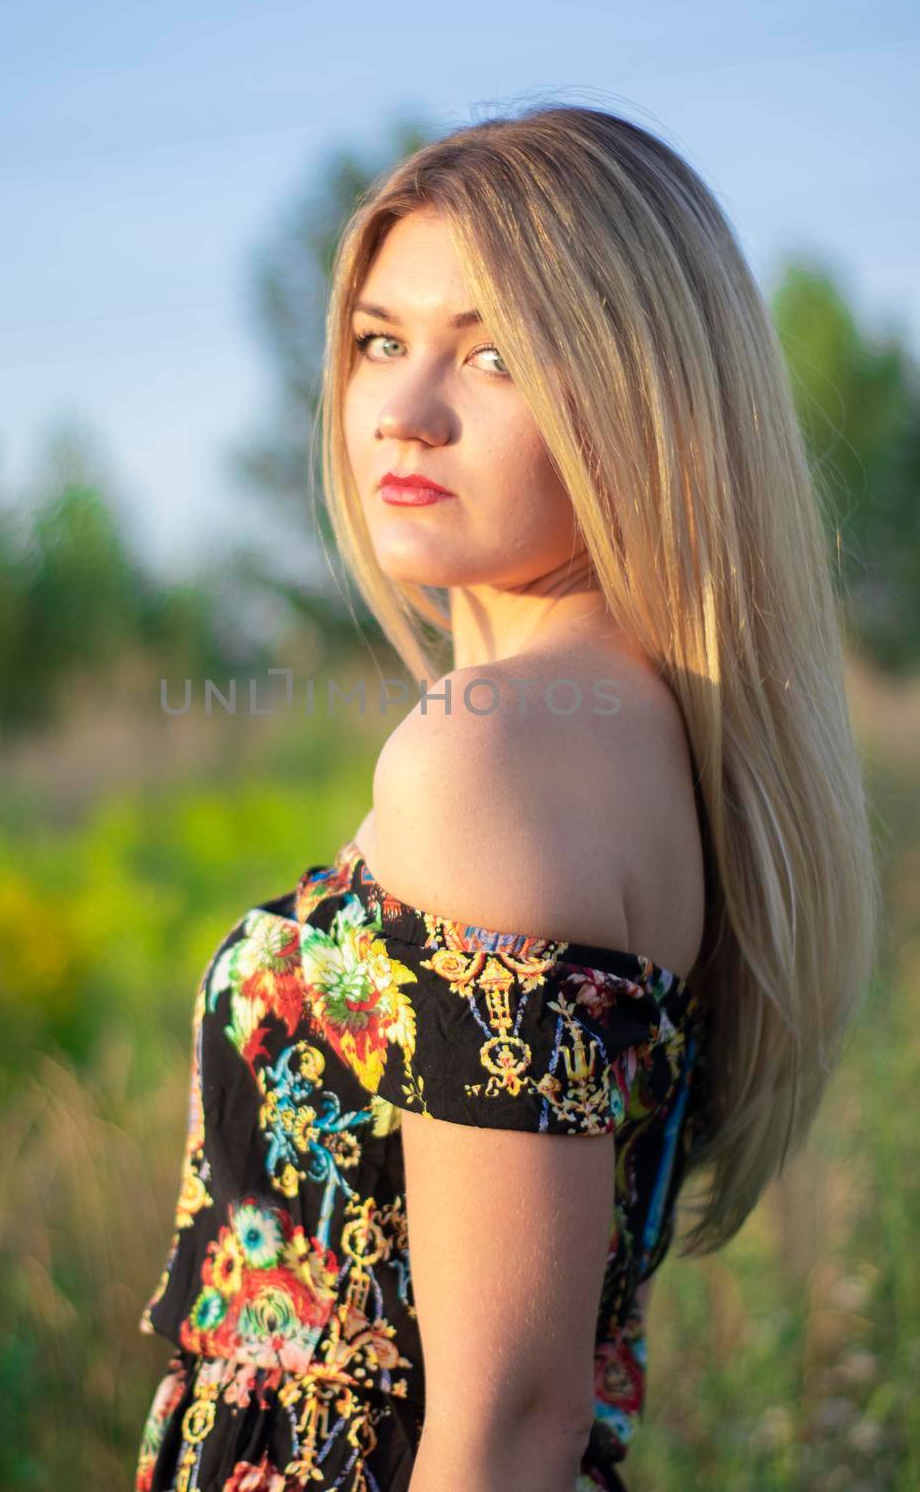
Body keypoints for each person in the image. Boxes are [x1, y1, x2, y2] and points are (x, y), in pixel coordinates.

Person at [133, 104, 881, 1492]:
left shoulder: (497, 758)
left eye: (495, 354)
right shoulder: (638, 732)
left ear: (642, 390)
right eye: (378, 341)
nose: (405, 410)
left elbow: (510, 1424)